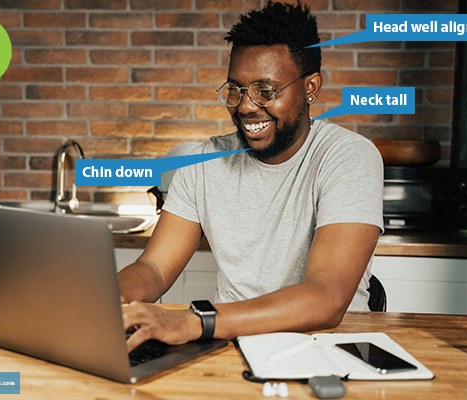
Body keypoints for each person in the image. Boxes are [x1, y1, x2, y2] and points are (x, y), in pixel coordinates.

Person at [118, 1, 383, 352]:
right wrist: (101, 298)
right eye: (236, 89)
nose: (245, 106)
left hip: (328, 348)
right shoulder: (202, 163)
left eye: (265, 91)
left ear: (311, 88)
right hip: (228, 344)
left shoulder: (348, 157)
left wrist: (195, 321)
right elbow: (153, 267)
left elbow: (327, 297)